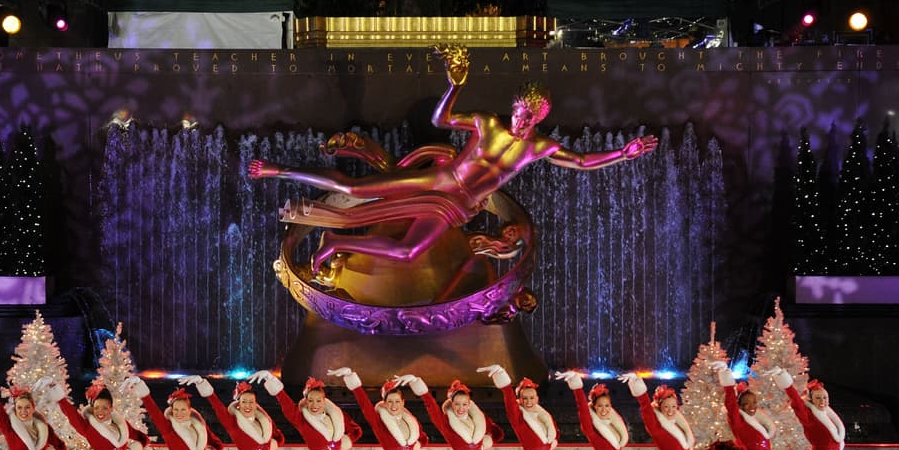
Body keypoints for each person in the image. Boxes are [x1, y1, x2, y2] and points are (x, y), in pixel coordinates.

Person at [249, 45, 658, 274]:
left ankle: (335, 242)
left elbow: (583, 162)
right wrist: (454, 86)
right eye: (517, 111)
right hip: (440, 181)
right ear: (513, 106)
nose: (519, 120)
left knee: (409, 252)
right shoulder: (487, 124)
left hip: (458, 206)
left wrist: (623, 153)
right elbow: (440, 119)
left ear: (539, 119)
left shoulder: (538, 147)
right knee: (354, 188)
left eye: (527, 117)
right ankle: (278, 170)